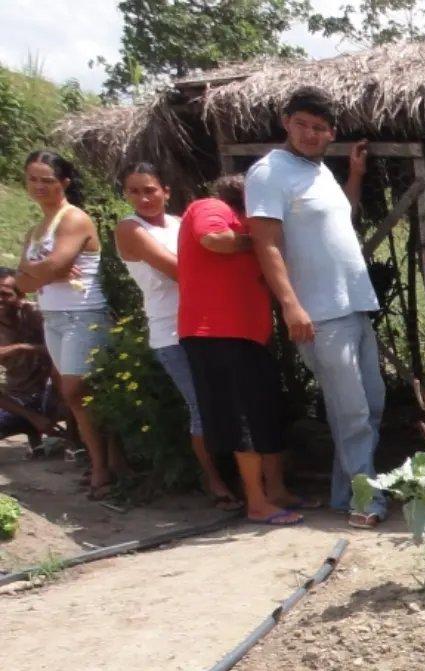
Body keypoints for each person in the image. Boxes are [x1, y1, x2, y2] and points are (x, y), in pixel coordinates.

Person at [247, 86, 387, 528]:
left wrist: (356, 176)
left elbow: (338, 217)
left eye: (319, 127)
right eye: (302, 124)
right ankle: (365, 500)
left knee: (371, 405)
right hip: (319, 314)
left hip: (354, 305)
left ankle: (345, 493)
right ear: (286, 123)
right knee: (352, 413)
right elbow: (266, 244)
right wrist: (291, 306)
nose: (310, 133)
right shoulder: (268, 173)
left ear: (331, 133)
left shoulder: (318, 170)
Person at [115, 163, 242, 509]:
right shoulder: (130, 228)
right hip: (171, 331)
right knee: (201, 406)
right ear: (126, 195)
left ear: (166, 191)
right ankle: (213, 480)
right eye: (134, 191)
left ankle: (237, 475)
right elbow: (179, 270)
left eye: (150, 190)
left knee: (228, 402)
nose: (144, 198)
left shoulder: (179, 223)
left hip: (209, 323)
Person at [178, 175, 303, 526]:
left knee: (265, 412)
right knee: (242, 419)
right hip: (214, 332)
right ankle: (257, 503)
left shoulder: (248, 224)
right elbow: (213, 239)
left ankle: (275, 491)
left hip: (248, 334)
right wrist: (258, 242)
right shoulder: (211, 207)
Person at [15, 150, 114, 497]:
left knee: (77, 391)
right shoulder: (36, 229)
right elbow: (22, 283)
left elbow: (51, 267)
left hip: (82, 313)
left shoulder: (73, 219)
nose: (39, 186)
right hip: (53, 316)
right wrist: (41, 272)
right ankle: (100, 461)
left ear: (64, 183)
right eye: (33, 179)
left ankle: (104, 467)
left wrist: (39, 271)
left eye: (47, 180)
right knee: (74, 396)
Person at [0, 267, 60, 449]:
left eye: (5, 295)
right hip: (17, 399)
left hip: (53, 394)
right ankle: (31, 425)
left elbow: (62, 350)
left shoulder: (38, 315)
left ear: (20, 295)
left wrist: (22, 348)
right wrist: (31, 417)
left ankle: (77, 445)